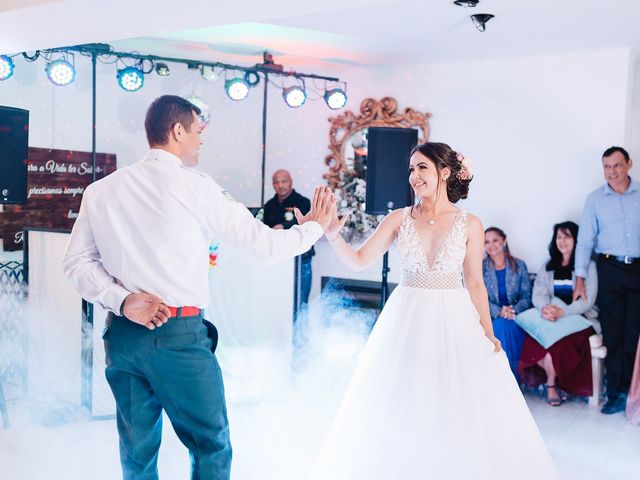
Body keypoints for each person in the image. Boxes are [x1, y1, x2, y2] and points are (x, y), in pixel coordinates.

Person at [62, 95, 334, 480]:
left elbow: (75, 263)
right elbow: (264, 245)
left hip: (121, 337)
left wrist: (122, 301)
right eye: (198, 129)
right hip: (178, 335)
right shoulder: (195, 185)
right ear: (177, 131)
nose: (202, 138)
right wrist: (315, 227)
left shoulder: (101, 190)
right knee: (211, 445)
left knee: (136, 452)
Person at [309, 143, 558, 479]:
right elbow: (358, 261)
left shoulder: (470, 223)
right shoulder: (398, 219)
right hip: (407, 315)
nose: (414, 176)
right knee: (405, 397)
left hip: (453, 317)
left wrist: (487, 333)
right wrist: (332, 236)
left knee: (453, 399)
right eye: (411, 169)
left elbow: (475, 283)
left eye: (421, 168)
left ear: (444, 171)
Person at [574, 146, 640, 415]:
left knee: (633, 334)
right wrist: (579, 278)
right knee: (613, 334)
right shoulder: (594, 200)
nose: (611, 172)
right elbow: (585, 240)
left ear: (629, 165)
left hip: (637, 269)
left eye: (617, 166)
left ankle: (631, 392)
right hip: (609, 270)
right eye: (607, 167)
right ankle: (615, 393)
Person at [517, 221, 598, 406]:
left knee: (558, 344)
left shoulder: (588, 266)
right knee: (534, 341)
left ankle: (551, 385)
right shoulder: (548, 266)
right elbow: (539, 293)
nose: (562, 241)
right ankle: (552, 384)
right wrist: (546, 308)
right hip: (551, 317)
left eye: (567, 236)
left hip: (578, 320)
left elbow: (588, 301)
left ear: (576, 240)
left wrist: (564, 311)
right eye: (558, 237)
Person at [482, 226, 532, 380]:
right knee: (499, 326)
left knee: (508, 326)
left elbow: (526, 296)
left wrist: (513, 310)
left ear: (504, 241)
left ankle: (511, 378)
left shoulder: (519, 265)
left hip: (515, 316)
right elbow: (479, 297)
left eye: (495, 240)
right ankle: (504, 380)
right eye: (487, 242)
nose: (491, 245)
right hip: (491, 316)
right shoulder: (480, 268)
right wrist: (499, 311)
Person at [262, 169, 314, 307]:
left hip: (301, 260)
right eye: (277, 182)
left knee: (300, 302)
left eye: (284, 181)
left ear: (291, 182)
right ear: (273, 185)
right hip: (278, 259)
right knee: (278, 302)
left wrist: (283, 226)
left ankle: (301, 329)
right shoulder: (269, 205)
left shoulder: (303, 202)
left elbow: (307, 225)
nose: (281, 185)